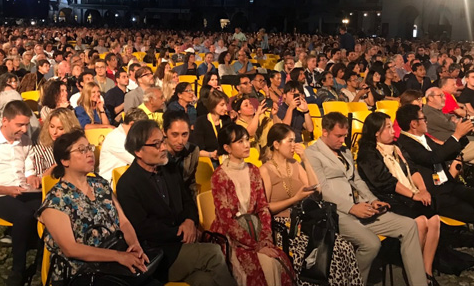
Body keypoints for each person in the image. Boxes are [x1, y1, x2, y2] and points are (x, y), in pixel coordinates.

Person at [306, 112, 428, 285]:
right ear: (324, 132)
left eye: (344, 136)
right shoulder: (312, 153)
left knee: (409, 225)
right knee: (371, 244)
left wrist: (371, 200)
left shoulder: (345, 151)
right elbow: (322, 189)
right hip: (336, 213)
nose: (342, 140)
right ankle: (354, 281)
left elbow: (357, 180)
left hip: (360, 206)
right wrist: (351, 207)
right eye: (338, 136)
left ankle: (418, 283)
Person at [116, 120, 236, 285]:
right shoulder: (127, 184)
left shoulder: (169, 168)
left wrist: (189, 221)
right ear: (138, 151)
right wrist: (180, 233)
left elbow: (188, 201)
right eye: (157, 145)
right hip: (158, 253)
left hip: (182, 246)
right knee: (214, 252)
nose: (164, 148)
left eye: (163, 142)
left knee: (205, 280)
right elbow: (143, 228)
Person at [35, 130, 161, 286]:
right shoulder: (56, 201)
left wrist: (134, 244)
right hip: (82, 272)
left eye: (89, 148)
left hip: (115, 259)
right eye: (82, 150)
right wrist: (118, 256)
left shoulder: (100, 185)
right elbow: (71, 249)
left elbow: (124, 222)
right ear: (64, 161)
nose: (89, 154)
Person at [260, 123, 364, 286]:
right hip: (284, 227)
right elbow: (265, 208)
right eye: (290, 141)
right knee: (324, 254)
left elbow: (317, 189)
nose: (294, 145)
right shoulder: (265, 170)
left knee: (343, 246)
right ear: (276, 144)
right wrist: (295, 198)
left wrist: (305, 160)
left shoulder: (294, 164)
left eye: (295, 141)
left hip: (304, 223)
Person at [357, 112, 440, 285]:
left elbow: (413, 169)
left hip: (409, 193)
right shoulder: (368, 152)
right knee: (421, 221)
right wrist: (413, 195)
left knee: (434, 219)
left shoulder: (396, 146)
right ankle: (411, 271)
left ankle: (426, 272)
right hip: (388, 197)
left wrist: (423, 190)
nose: (393, 131)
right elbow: (385, 182)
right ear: (376, 132)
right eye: (387, 127)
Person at [211, 123, 294, 286]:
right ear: (227, 148)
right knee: (256, 268)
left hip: (255, 231)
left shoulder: (253, 170)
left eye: (247, 140)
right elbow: (226, 220)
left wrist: (265, 239)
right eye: (240, 142)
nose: (247, 145)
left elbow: (263, 208)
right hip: (231, 237)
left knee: (280, 260)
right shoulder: (219, 176)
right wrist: (255, 246)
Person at [0, 101, 42, 286]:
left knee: (48, 207)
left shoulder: (26, 142)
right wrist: (7, 190)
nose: (24, 129)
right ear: (5, 121)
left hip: (21, 191)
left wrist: (32, 178)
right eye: (20, 124)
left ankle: (42, 261)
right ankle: (17, 270)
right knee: (24, 214)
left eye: (26, 124)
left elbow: (29, 170)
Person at [396, 104, 474, 222]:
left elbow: (443, 154)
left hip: (449, 185)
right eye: (424, 119)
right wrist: (456, 135)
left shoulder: (423, 137)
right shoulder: (405, 143)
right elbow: (432, 158)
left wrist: (461, 136)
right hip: (436, 195)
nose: (426, 122)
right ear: (414, 124)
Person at [27, 107, 81, 179]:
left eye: (60, 128)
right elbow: (39, 179)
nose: (54, 132)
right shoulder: (39, 149)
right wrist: (56, 167)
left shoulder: (78, 146)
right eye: (52, 126)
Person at [423, 87, 474, 162]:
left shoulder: (437, 110)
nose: (444, 98)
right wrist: (454, 122)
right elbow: (452, 126)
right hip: (452, 149)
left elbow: (451, 116)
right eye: (440, 96)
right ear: (430, 98)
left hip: (459, 143)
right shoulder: (429, 113)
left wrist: (452, 119)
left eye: (444, 96)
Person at [98, 108, 148, 183]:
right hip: (110, 181)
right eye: (141, 129)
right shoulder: (115, 138)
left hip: (128, 178)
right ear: (132, 125)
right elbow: (136, 160)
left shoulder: (130, 137)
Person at [163, 110, 199, 200]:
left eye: (184, 135)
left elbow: (191, 183)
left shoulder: (192, 151)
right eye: (175, 135)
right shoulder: (156, 153)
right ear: (164, 132)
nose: (180, 141)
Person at [190, 89, 231, 168]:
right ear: (213, 105)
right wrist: (211, 154)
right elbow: (198, 150)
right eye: (222, 105)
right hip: (210, 160)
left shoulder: (227, 119)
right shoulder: (201, 121)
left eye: (226, 105)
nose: (226, 108)